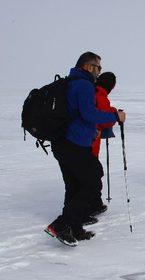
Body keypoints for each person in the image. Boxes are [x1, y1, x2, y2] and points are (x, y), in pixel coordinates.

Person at [45, 52, 126, 246]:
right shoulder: (83, 85)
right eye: (98, 68)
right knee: (92, 179)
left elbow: (79, 114)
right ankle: (62, 225)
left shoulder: (72, 82)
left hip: (62, 141)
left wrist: (91, 130)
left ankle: (75, 227)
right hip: (73, 143)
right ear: (89, 67)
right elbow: (89, 114)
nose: (99, 72)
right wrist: (115, 116)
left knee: (74, 185)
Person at [88, 72, 118, 217]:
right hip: (89, 143)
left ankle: (92, 205)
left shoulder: (91, 92)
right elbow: (104, 120)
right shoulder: (100, 96)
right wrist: (115, 113)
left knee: (87, 175)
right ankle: (91, 206)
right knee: (93, 174)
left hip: (80, 142)